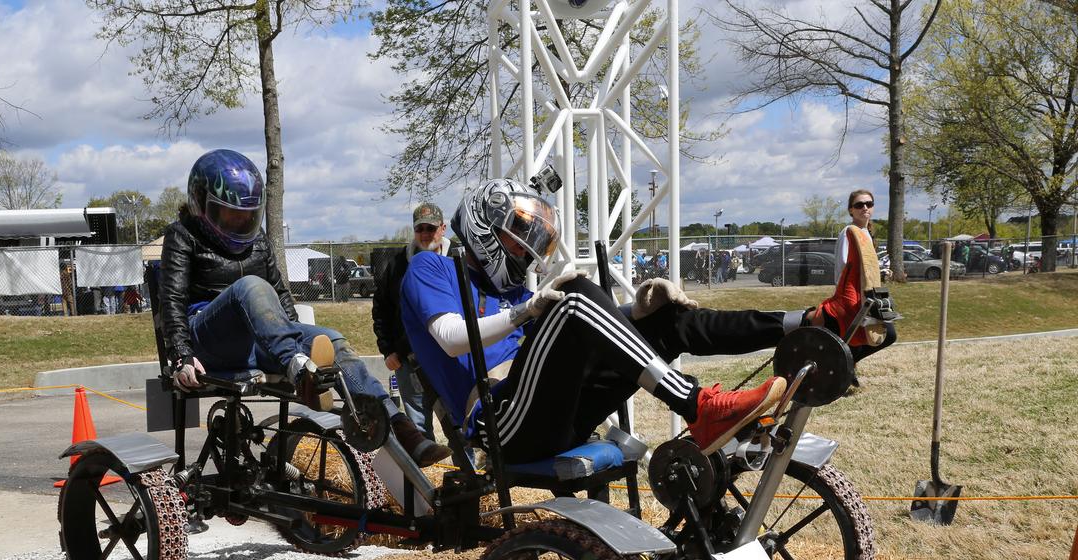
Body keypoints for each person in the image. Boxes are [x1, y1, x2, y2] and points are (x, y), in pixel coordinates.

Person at [400, 179, 788, 465]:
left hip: (557, 415)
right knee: (575, 293)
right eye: (518, 238)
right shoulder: (431, 267)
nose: (526, 252)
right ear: (484, 226)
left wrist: (635, 312)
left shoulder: (515, 295)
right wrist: (527, 310)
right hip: (500, 423)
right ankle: (698, 407)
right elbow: (450, 338)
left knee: (665, 317)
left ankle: (803, 324)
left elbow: (567, 336)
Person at [160, 148, 449, 467]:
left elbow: (282, 297)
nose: (241, 223)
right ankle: (300, 369)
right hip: (209, 342)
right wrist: (180, 356)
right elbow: (171, 300)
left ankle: (400, 428)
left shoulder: (258, 240)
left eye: (248, 216)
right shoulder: (182, 235)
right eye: (230, 215)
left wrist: (297, 336)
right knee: (252, 287)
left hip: (258, 342)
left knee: (332, 338)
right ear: (201, 205)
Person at [372, 202, 450, 439]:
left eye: (431, 228)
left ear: (443, 228)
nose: (426, 234)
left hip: (450, 359)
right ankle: (424, 476)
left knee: (458, 426)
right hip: (409, 361)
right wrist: (388, 350)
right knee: (418, 428)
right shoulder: (397, 264)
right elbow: (381, 309)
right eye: (420, 229)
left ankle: (465, 474)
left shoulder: (457, 260)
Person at [831, 189, 897, 363]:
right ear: (851, 210)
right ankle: (845, 365)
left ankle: (847, 365)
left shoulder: (865, 232)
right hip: (853, 297)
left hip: (868, 294)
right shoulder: (849, 232)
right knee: (886, 334)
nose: (865, 207)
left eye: (869, 204)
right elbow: (844, 266)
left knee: (883, 334)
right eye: (859, 205)